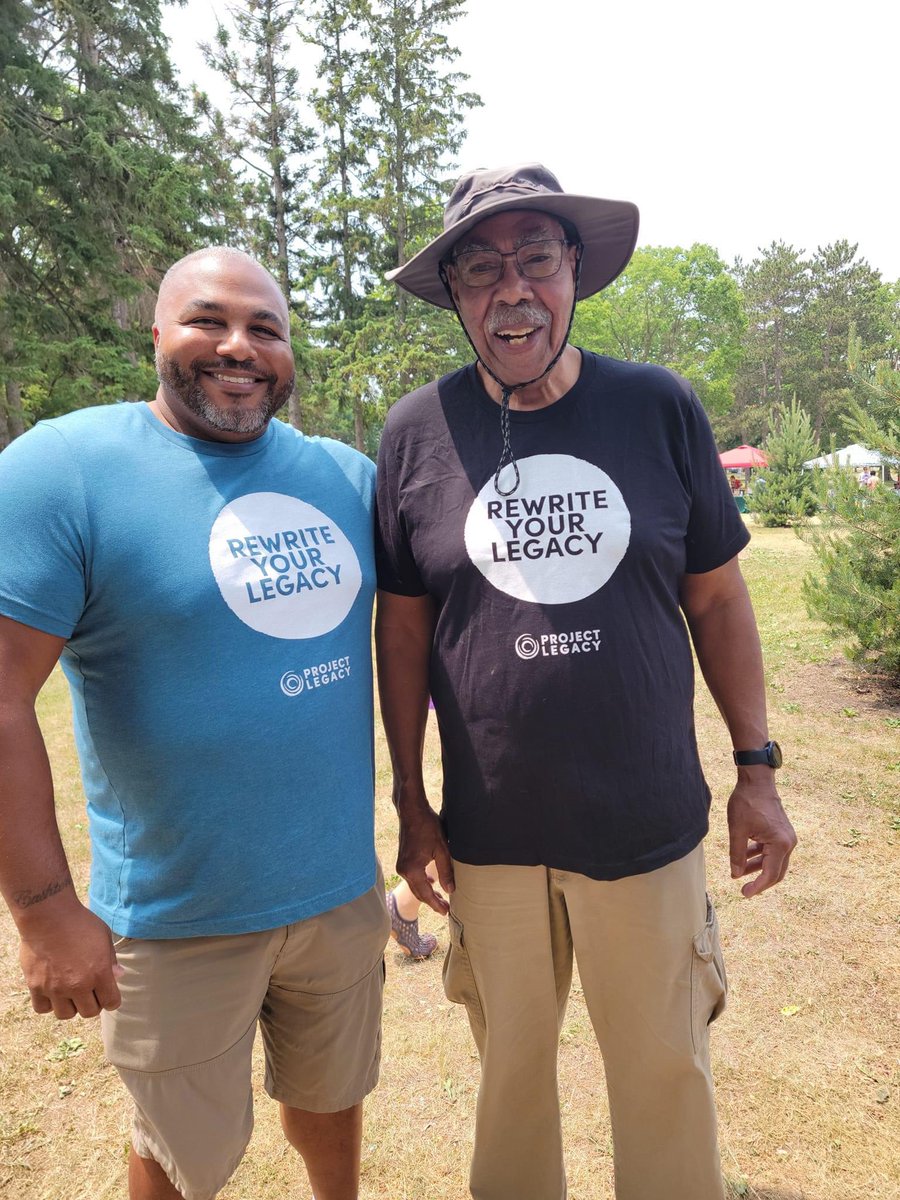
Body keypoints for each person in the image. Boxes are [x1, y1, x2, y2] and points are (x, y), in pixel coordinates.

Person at [374, 164, 797, 1200]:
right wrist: (413, 805)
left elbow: (719, 603)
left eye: (534, 259)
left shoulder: (657, 409)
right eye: (481, 267)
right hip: (492, 838)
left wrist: (757, 769)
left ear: (575, 273)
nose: (510, 288)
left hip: (643, 827)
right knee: (509, 1081)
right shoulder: (414, 435)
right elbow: (404, 632)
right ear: (457, 295)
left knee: (662, 1077)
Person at [0, 248, 390, 1200]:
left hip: (337, 893)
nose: (238, 347)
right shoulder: (65, 469)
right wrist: (45, 909)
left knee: (333, 1101)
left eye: (266, 329)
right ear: (158, 335)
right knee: (182, 1153)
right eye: (209, 321)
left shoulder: (345, 477)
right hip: (179, 918)